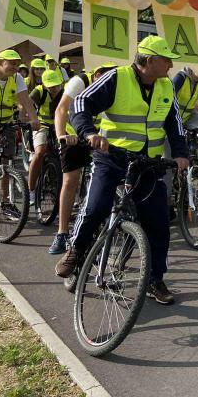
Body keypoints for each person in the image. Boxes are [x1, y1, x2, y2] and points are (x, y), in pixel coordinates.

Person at [56, 36, 190, 305]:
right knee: (96, 207)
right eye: (166, 60)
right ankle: (76, 249)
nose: (171, 66)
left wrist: (180, 154)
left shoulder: (165, 86)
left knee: (159, 222)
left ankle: (155, 279)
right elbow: (80, 104)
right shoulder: (118, 77)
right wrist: (89, 132)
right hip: (112, 158)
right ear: (150, 61)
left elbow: (174, 123)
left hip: (148, 163)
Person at [49, 62, 118, 255]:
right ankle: (62, 232)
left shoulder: (116, 84)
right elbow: (61, 109)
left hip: (100, 137)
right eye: (102, 76)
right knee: (71, 180)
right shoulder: (79, 82)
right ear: (95, 73)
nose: (105, 81)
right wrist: (62, 135)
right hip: (74, 136)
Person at [0, 50, 40, 178]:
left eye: (17, 64)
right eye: (12, 64)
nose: (15, 68)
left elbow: (25, 99)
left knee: (7, 162)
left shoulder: (16, 77)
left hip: (6, 122)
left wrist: (34, 119)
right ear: (0, 62)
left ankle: (6, 197)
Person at [27, 69, 64, 206]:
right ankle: (31, 191)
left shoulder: (64, 92)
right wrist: (30, 120)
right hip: (41, 125)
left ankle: (56, 188)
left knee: (64, 156)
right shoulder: (38, 91)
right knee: (40, 152)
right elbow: (26, 105)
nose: (54, 89)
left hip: (58, 127)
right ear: (44, 85)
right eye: (51, 86)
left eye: (56, 85)